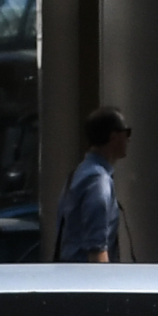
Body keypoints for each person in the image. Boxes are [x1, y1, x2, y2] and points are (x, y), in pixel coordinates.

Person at [54, 106, 130, 262]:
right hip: (86, 280)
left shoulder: (78, 173)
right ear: (114, 137)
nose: (128, 139)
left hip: (69, 276)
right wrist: (104, 284)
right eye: (126, 133)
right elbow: (96, 248)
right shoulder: (98, 181)